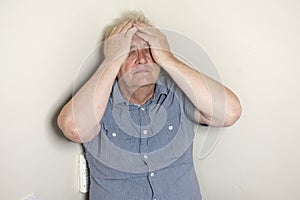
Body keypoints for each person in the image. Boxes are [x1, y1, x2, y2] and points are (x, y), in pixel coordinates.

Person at [57, 11, 242, 200]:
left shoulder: (179, 92)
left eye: (148, 49)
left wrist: (168, 58)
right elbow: (74, 129)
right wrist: (111, 60)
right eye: (129, 51)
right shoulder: (98, 100)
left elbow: (230, 112)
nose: (142, 58)